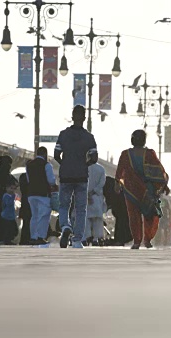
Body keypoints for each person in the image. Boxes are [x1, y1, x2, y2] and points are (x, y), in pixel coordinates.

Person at [115, 130, 169, 249]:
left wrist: (117, 183)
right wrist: (163, 185)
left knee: (136, 216)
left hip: (134, 190)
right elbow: (160, 172)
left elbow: (119, 172)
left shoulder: (128, 154)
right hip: (142, 190)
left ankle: (138, 241)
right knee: (148, 215)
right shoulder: (147, 154)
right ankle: (145, 240)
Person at [54, 105, 98, 249]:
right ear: (84, 118)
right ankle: (77, 239)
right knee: (80, 209)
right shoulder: (89, 137)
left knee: (64, 205)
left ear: (72, 117)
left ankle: (65, 226)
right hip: (81, 175)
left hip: (66, 174)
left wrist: (65, 163)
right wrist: (84, 163)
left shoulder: (63, 134)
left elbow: (56, 155)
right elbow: (94, 158)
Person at [26, 147, 57, 246]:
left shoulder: (29, 165)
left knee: (34, 216)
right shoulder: (47, 165)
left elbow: (28, 179)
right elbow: (51, 180)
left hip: (31, 194)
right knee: (43, 216)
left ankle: (33, 237)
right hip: (43, 194)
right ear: (45, 154)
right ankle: (40, 237)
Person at [84, 149, 106, 246]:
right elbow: (101, 184)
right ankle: (97, 238)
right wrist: (93, 192)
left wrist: (87, 194)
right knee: (97, 220)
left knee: (86, 218)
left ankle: (87, 237)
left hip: (85, 197)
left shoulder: (83, 168)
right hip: (96, 197)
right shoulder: (101, 169)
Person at [0, 155, 14, 243]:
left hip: (0, 199)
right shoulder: (4, 174)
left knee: (1, 218)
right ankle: (5, 238)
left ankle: (3, 238)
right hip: (3, 199)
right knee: (5, 219)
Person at [0, 177, 19, 245]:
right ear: (7, 188)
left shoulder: (12, 196)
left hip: (11, 216)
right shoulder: (6, 196)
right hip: (6, 216)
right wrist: (13, 197)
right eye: (11, 188)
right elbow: (8, 204)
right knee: (8, 229)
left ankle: (10, 239)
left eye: (14, 189)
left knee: (14, 229)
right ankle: (7, 240)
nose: (12, 190)